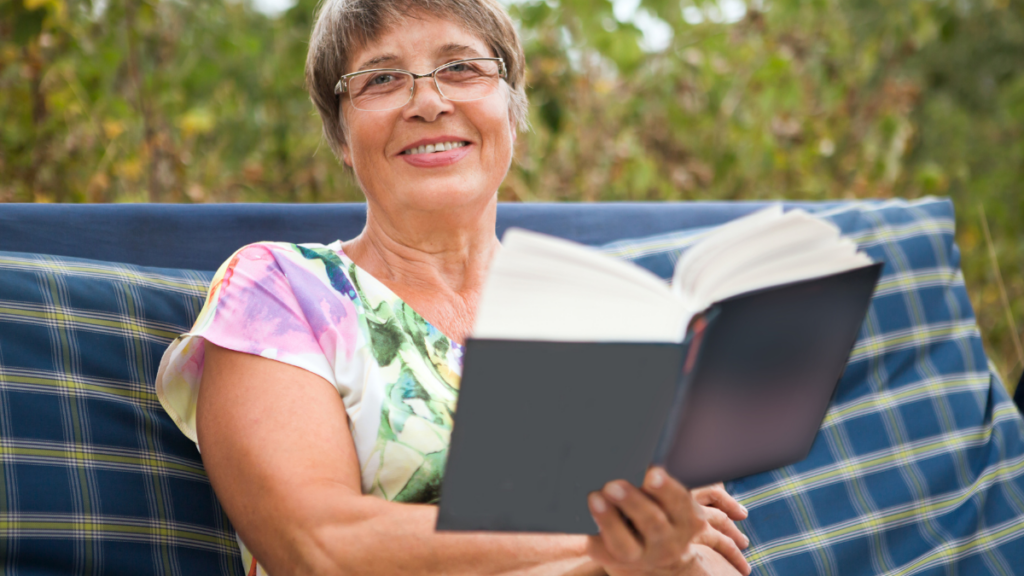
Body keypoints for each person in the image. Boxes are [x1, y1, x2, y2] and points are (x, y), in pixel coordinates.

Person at [155, 0, 752, 574]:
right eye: (382, 79)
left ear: (511, 107)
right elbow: (322, 547)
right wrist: (614, 535)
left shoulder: (613, 314)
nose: (429, 102)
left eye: (462, 67)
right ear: (340, 135)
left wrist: (663, 556)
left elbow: (709, 549)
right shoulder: (279, 290)